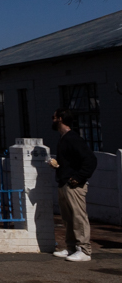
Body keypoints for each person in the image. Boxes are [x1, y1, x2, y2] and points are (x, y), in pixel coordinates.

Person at [49, 109, 98, 262]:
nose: (52, 120)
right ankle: (71, 248)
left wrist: (78, 177)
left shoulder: (73, 138)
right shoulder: (63, 138)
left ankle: (84, 250)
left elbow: (90, 160)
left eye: (54, 117)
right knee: (68, 218)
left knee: (78, 217)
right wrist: (58, 166)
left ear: (61, 119)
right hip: (64, 182)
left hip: (74, 185)